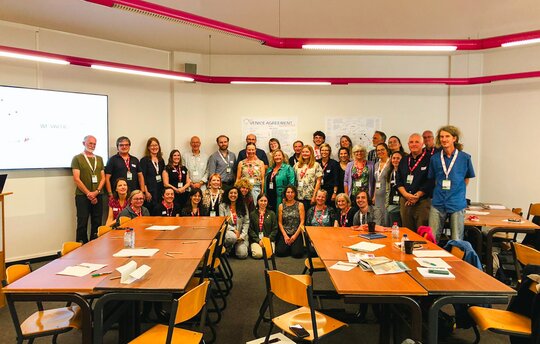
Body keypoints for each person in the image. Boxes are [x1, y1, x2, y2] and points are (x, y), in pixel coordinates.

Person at [428, 125, 475, 241]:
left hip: (456, 203)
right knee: (432, 238)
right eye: (441, 137)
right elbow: (434, 179)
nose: (444, 139)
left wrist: (457, 191)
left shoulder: (465, 158)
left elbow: (466, 178)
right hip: (438, 202)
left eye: (447, 136)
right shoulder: (435, 158)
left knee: (457, 239)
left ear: (454, 138)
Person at [396, 133, 433, 231]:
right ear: (408, 144)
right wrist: (406, 195)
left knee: (422, 233)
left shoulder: (430, 159)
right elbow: (398, 180)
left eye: (417, 142)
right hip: (405, 201)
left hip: (422, 202)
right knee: (407, 232)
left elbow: (431, 181)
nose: (414, 144)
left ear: (422, 144)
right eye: (411, 142)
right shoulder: (404, 160)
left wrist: (417, 195)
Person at [71, 135, 105, 243]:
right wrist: (89, 194)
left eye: (94, 144)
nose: (92, 145)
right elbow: (76, 179)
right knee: (82, 222)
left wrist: (96, 192)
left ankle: (95, 245)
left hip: (98, 194)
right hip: (82, 196)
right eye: (90, 143)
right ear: (83, 143)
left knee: (97, 221)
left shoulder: (99, 159)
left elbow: (103, 177)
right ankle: (81, 247)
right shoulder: (77, 158)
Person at [105, 136, 147, 200]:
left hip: (134, 194)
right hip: (118, 194)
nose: (124, 147)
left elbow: (140, 176)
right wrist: (110, 193)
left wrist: (143, 191)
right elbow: (107, 178)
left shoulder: (135, 160)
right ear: (117, 147)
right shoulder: (112, 160)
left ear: (129, 146)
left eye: (126, 145)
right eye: (121, 145)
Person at [220, 187, 250, 259]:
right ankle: (228, 249)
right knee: (232, 237)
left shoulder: (243, 205)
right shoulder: (222, 206)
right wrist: (233, 230)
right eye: (231, 193)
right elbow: (223, 222)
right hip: (229, 232)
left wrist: (242, 236)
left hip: (240, 234)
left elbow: (246, 222)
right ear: (227, 194)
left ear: (238, 195)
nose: (233, 195)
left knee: (242, 254)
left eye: (235, 193)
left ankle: (233, 248)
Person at [276, 186, 305, 258]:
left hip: (296, 233)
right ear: (285, 193)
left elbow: (302, 221)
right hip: (285, 233)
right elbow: (280, 222)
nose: (290, 194)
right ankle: (289, 247)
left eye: (292, 192)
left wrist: (295, 236)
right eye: (288, 192)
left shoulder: (300, 205)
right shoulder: (281, 206)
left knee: (297, 254)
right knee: (280, 253)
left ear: (295, 193)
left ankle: (292, 247)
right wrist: (285, 236)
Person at [248, 193, 278, 259]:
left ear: (267, 202)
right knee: (258, 254)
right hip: (256, 240)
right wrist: (258, 240)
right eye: (261, 201)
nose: (263, 203)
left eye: (265, 201)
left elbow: (275, 229)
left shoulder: (272, 214)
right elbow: (250, 230)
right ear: (258, 201)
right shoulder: (252, 214)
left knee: (269, 255)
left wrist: (267, 240)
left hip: (268, 239)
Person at [294, 145, 323, 210]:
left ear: (311, 153)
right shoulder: (297, 165)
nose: (305, 153)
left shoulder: (316, 165)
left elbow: (318, 182)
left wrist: (314, 196)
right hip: (299, 196)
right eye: (303, 152)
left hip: (310, 195)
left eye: (307, 152)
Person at [139, 137, 165, 210]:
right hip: (150, 191)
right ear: (148, 147)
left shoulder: (161, 160)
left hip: (160, 190)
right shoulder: (144, 160)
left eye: (156, 145)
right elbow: (142, 177)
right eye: (152, 146)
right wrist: (146, 192)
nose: (154, 147)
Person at [373, 143, 391, 226]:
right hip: (377, 197)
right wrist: (374, 195)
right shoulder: (376, 164)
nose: (380, 152)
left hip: (386, 196)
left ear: (387, 150)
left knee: (386, 219)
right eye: (378, 150)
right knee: (378, 218)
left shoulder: (391, 163)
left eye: (382, 149)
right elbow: (375, 181)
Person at [386, 151, 404, 226]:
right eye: (393, 158)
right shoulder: (390, 172)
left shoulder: (404, 173)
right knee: (391, 227)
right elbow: (388, 189)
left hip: (401, 205)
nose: (395, 160)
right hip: (391, 205)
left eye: (398, 158)